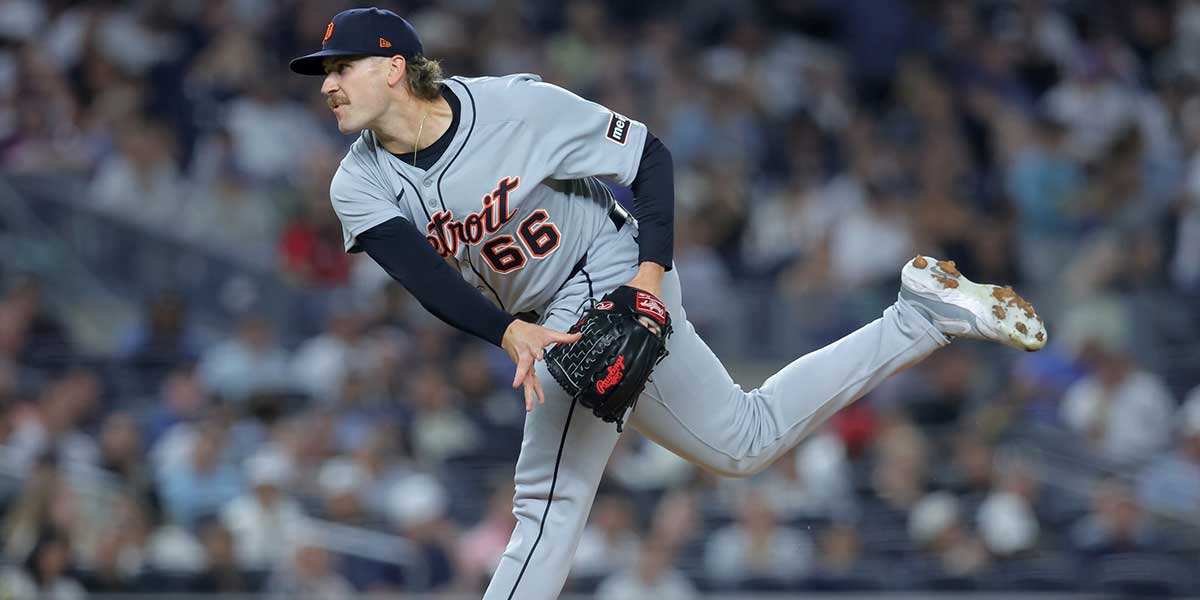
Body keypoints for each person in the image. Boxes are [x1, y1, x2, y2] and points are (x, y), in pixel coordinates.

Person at [288, 8, 1047, 598]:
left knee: (550, 497)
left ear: (393, 68)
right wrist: (506, 331)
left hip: (611, 267)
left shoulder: (516, 106)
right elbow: (423, 275)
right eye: (323, 71)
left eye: (340, 67)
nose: (326, 84)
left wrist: (649, 276)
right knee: (740, 444)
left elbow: (648, 157)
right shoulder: (357, 181)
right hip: (543, 318)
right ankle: (920, 317)